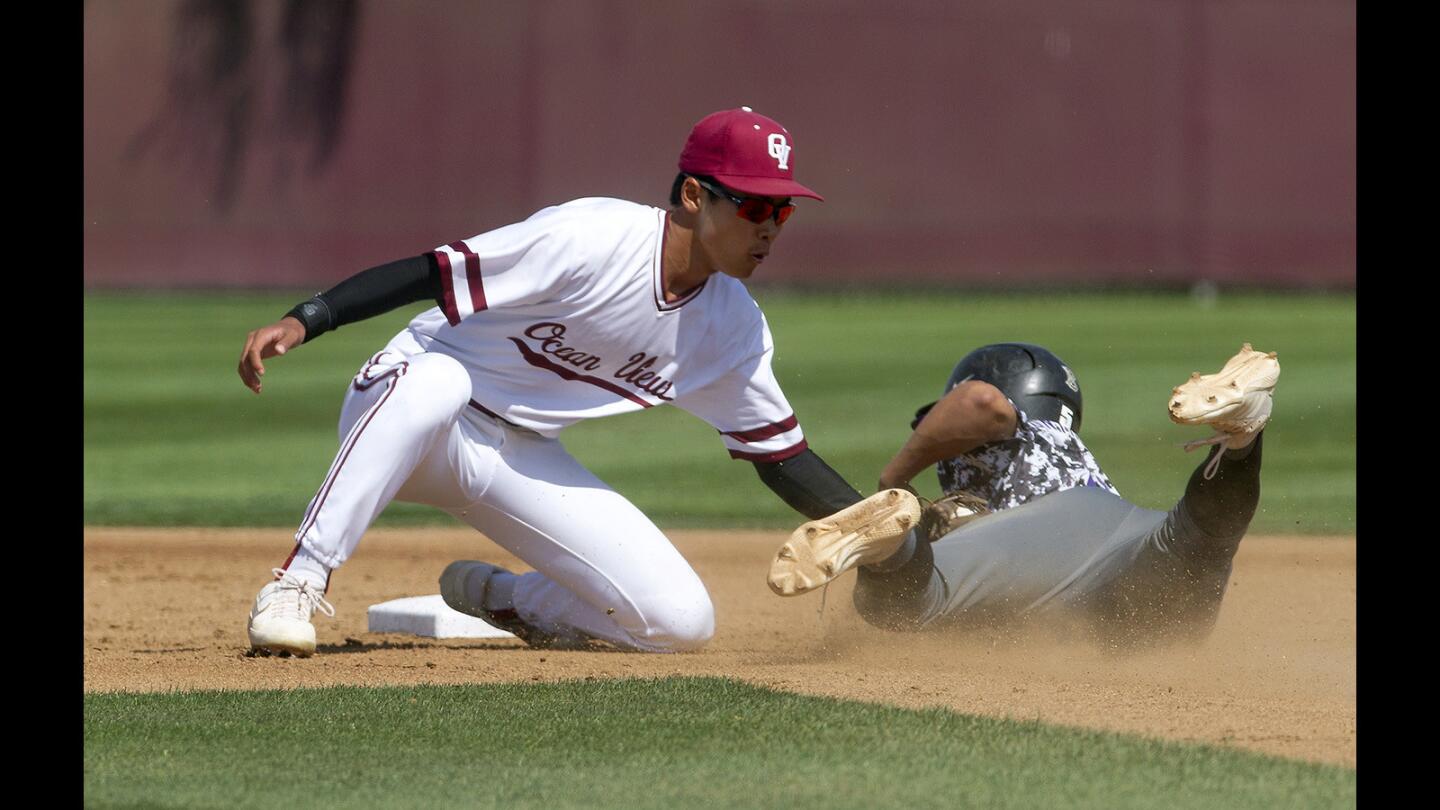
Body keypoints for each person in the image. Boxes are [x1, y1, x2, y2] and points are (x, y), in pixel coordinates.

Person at [239, 107, 868, 656]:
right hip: (410, 404)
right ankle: (298, 582)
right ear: (696, 196)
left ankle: (507, 598)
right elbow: (432, 272)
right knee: (440, 379)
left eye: (781, 211)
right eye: (753, 205)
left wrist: (874, 526)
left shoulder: (733, 327)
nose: (769, 226)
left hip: (517, 456)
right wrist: (309, 318)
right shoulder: (594, 238)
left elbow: (781, 457)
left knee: (681, 623)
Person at [767, 342, 1279, 646]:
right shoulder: (1065, 444)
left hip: (1043, 539)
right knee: (1200, 543)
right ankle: (1242, 439)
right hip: (1129, 535)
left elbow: (980, 401)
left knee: (911, 605)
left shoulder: (1016, 427)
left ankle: (889, 546)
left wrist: (892, 481)